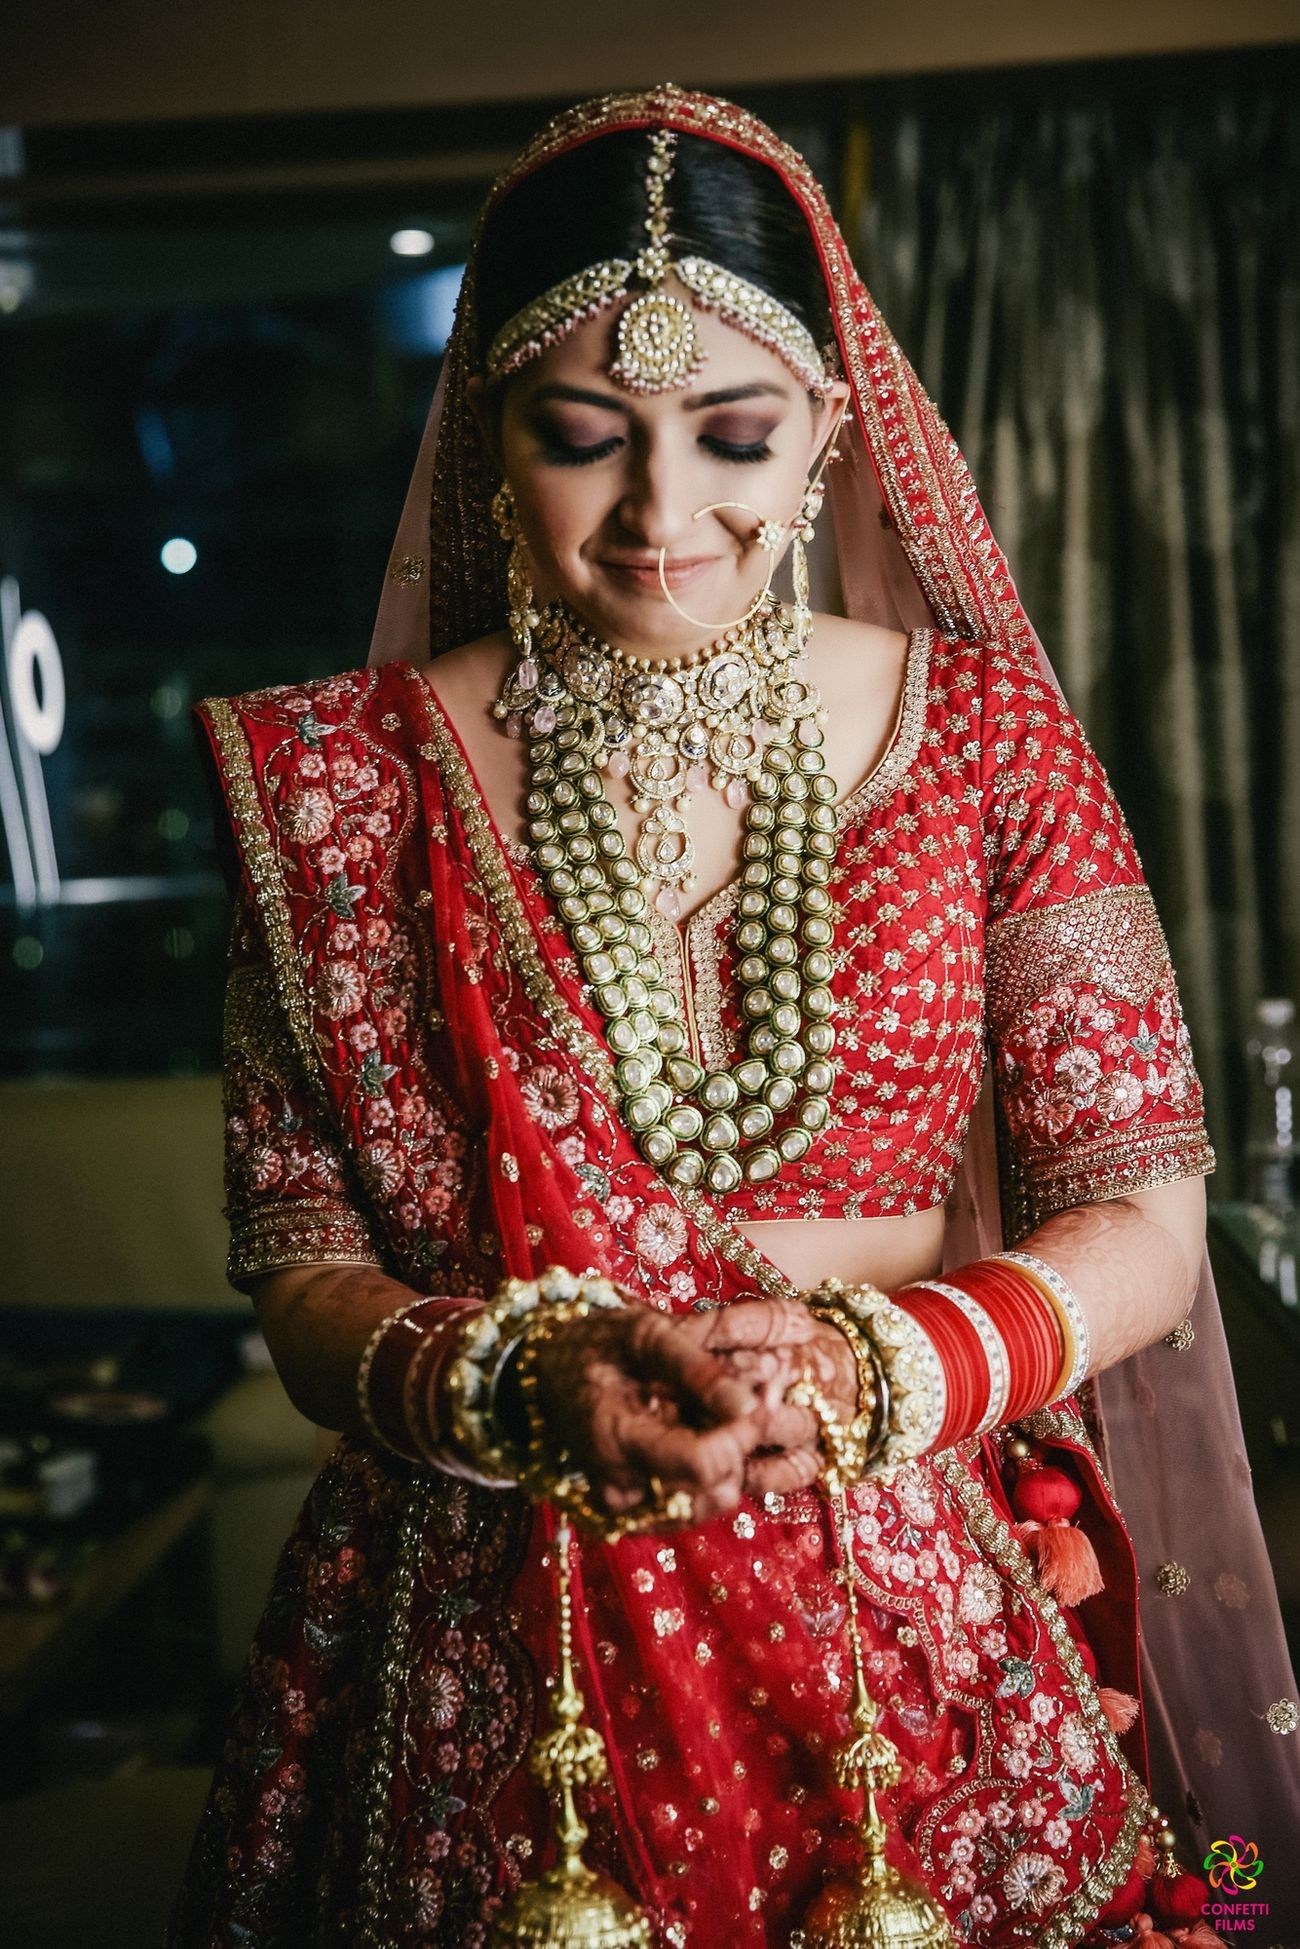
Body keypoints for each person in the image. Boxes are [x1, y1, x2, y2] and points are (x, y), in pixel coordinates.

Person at [167, 86, 1300, 1949]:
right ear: (486, 435)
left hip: (911, 1620)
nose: (663, 512)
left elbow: (1149, 1222)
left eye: (736, 434)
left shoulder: (995, 747)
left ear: (831, 428)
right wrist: (519, 1384)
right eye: (585, 436)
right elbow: (301, 1263)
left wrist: (880, 1375)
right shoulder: (337, 790)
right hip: (477, 1645)